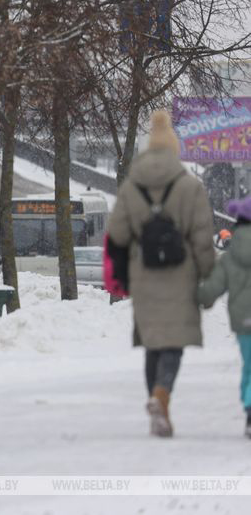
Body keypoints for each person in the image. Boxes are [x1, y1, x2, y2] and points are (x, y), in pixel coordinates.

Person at [106, 109, 215, 438]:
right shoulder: (189, 186)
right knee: (173, 343)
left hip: (144, 274)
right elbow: (201, 237)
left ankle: (156, 401)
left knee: (153, 342)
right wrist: (207, 273)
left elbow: (117, 235)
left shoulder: (130, 187)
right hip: (180, 275)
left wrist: (121, 275)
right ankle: (161, 395)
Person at [198, 196, 251, 439]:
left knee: (249, 365)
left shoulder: (230, 257)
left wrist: (200, 299)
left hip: (243, 320)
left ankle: (249, 404)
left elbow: (212, 288)